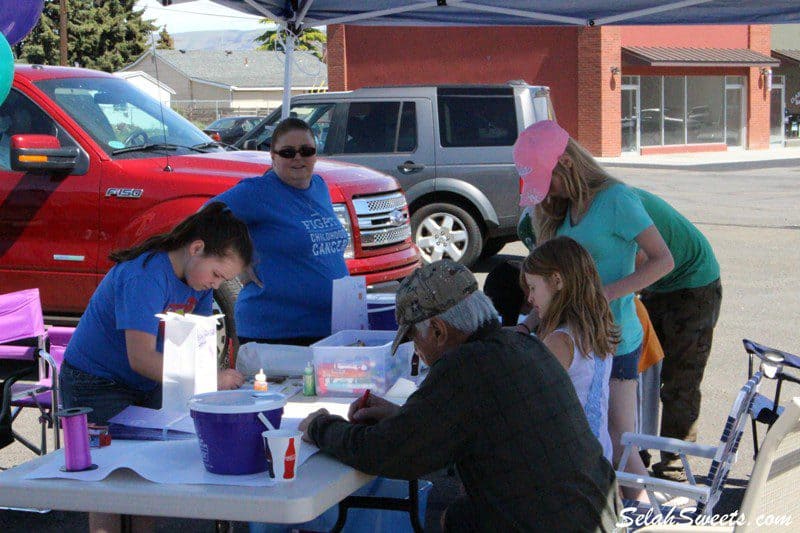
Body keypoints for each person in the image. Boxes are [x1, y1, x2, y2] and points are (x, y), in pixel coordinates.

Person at [299, 260, 621, 532]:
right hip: (596, 509)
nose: (418, 353)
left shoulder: (466, 366)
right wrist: (403, 416)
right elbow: (477, 421)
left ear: (439, 330)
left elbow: (388, 452)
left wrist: (320, 426)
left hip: (548, 521)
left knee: (458, 519)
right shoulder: (522, 345)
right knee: (459, 517)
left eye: (415, 338)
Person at [512, 120, 674, 498]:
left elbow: (662, 260)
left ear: (566, 163)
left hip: (613, 337)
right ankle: (616, 511)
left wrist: (600, 293)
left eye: (547, 179)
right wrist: (529, 323)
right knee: (589, 437)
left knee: (618, 441)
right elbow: (551, 282)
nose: (546, 192)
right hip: (573, 340)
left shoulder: (617, 199)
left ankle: (643, 512)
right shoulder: (561, 211)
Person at [60, 202, 252, 426]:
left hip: (147, 382)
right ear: (196, 249)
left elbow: (198, 346)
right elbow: (141, 358)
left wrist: (212, 378)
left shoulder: (200, 283)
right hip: (96, 382)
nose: (217, 285)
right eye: (216, 274)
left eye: (223, 280)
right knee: (120, 456)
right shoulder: (144, 276)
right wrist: (209, 380)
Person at [210, 117, 349, 346]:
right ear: (273, 156)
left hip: (330, 327)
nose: (298, 158)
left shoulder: (320, 186)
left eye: (306, 150)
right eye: (288, 152)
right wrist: (238, 260)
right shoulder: (257, 192)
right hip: (277, 332)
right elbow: (204, 218)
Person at [633, 188, 722, 482]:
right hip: (656, 285)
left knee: (679, 380)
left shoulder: (615, 206)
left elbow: (639, 261)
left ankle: (674, 464)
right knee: (632, 371)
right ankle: (634, 452)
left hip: (693, 284)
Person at [520, 236, 618, 463]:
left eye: (533, 287)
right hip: (600, 459)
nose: (530, 297)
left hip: (571, 465)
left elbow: (532, 405)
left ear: (557, 281)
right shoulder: (596, 329)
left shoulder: (560, 341)